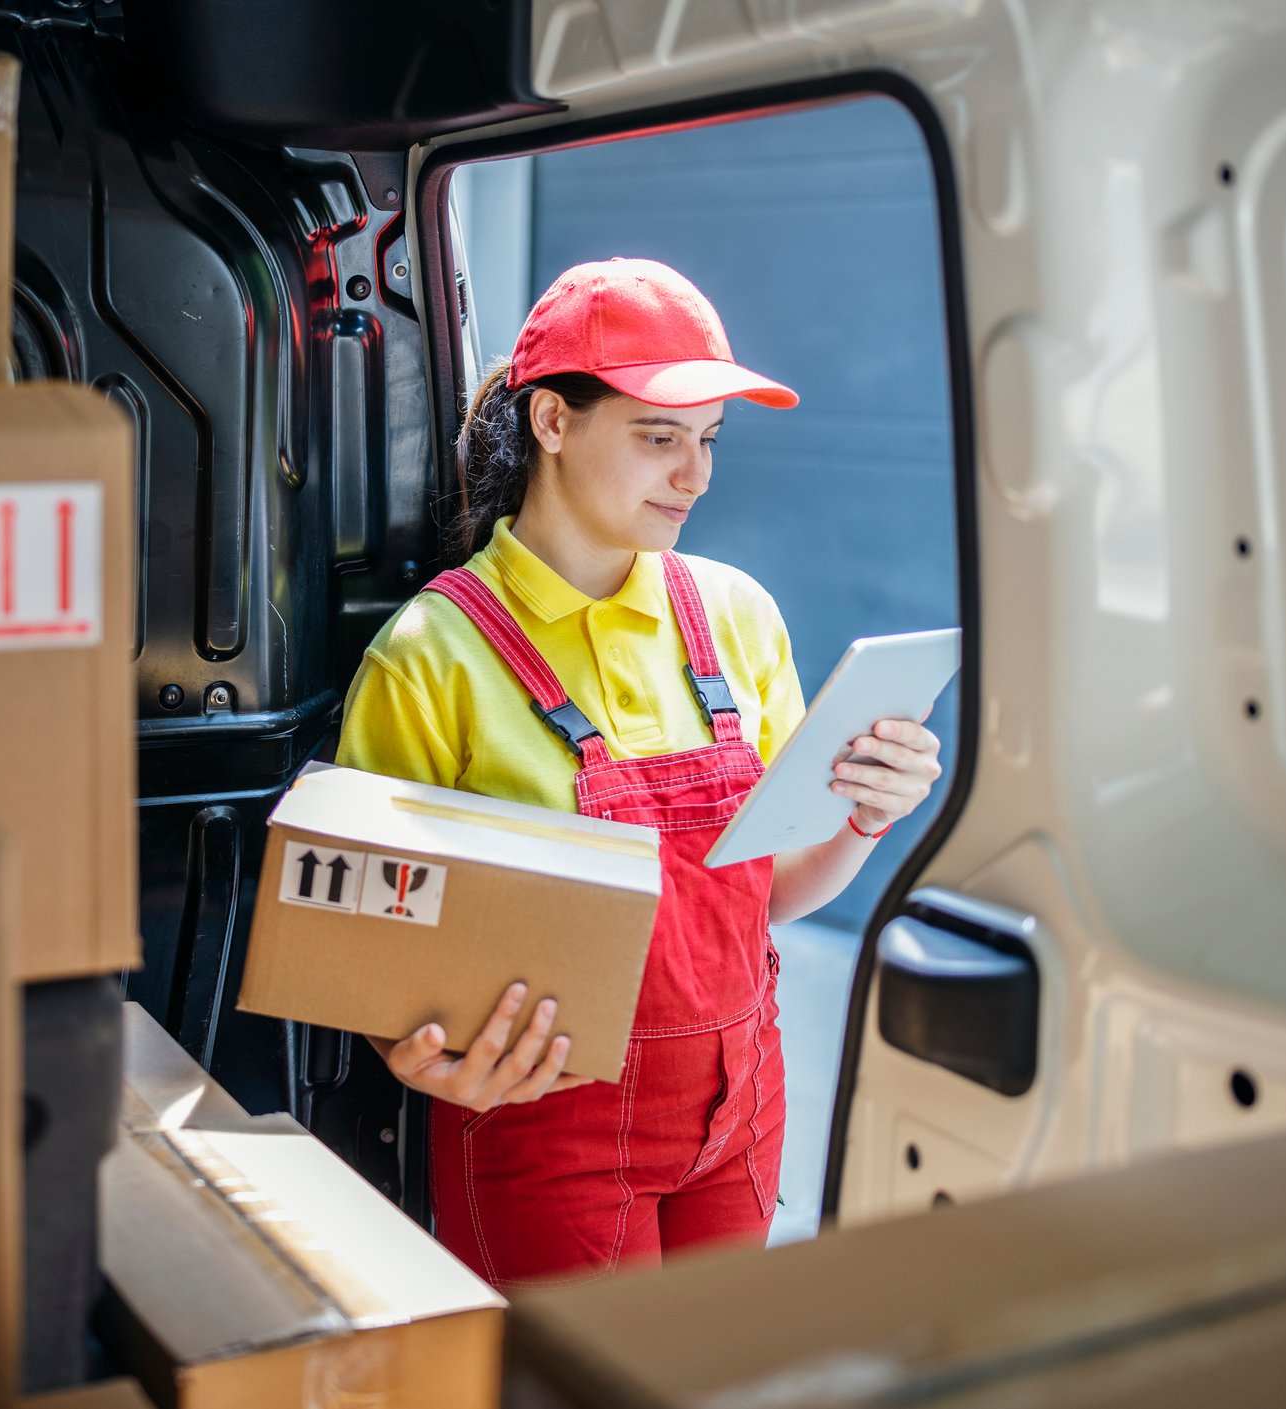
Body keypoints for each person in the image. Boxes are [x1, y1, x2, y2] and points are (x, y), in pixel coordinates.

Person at [335, 256, 942, 1287]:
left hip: (739, 1114)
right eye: (659, 437)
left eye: (708, 441)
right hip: (542, 1125)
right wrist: (411, 1047)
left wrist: (862, 818)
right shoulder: (431, 654)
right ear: (553, 421)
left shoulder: (737, 614)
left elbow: (766, 894)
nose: (695, 476)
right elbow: (358, 939)